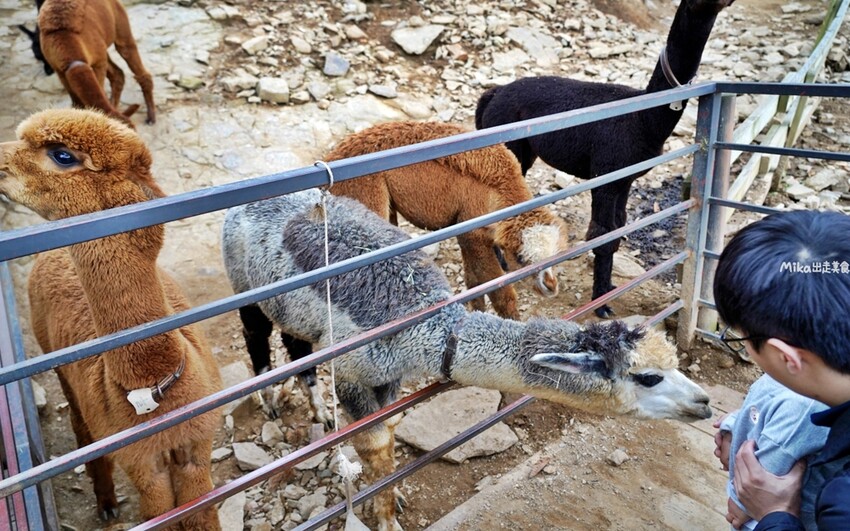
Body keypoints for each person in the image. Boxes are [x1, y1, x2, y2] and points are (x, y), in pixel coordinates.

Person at [712, 209, 850, 530]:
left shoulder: (842, 505)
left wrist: (776, 514)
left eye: (740, 336)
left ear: (786, 357)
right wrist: (744, 422)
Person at [712, 373, 828, 529]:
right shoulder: (780, 373)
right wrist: (734, 425)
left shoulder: (805, 407)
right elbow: (761, 407)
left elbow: (760, 480)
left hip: (767, 519)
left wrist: (739, 503)